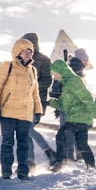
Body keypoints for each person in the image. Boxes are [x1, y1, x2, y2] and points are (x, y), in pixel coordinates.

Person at [0, 36, 43, 180]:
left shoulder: (33, 70)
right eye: (25, 51)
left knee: (23, 144)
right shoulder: (7, 65)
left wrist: (38, 110)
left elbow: (35, 93)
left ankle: (23, 172)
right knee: (7, 143)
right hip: (8, 113)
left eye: (30, 52)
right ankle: (6, 171)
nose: (28, 54)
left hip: (25, 114)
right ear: (18, 51)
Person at [47, 59, 96, 171]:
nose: (54, 77)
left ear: (61, 71)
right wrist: (48, 102)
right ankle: (91, 166)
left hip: (79, 117)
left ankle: (60, 162)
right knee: (81, 144)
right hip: (79, 118)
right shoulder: (66, 83)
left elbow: (86, 97)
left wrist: (95, 112)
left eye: (55, 74)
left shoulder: (74, 81)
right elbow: (62, 104)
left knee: (61, 136)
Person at [23, 32, 56, 169]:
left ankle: (49, 153)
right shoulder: (22, 60)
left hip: (37, 101)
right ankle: (30, 161)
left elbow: (48, 81)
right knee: (26, 130)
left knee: (28, 129)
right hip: (22, 101)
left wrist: (32, 87)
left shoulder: (44, 60)